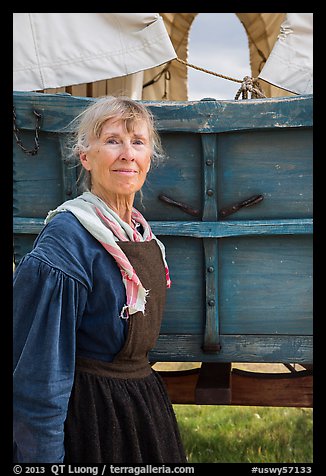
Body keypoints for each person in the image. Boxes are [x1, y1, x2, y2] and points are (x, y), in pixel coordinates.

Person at [13, 96, 187, 464]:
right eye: (112, 141)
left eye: (137, 142)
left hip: (141, 409)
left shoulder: (143, 236)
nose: (127, 154)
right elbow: (39, 375)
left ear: (148, 160)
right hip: (89, 416)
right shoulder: (67, 240)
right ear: (85, 157)